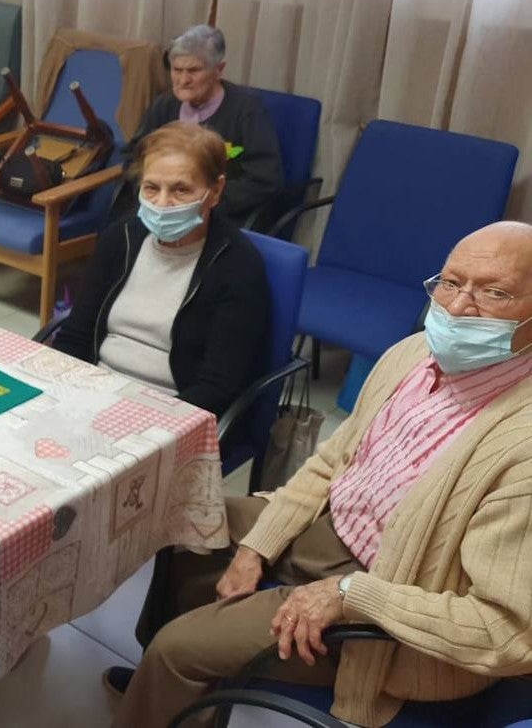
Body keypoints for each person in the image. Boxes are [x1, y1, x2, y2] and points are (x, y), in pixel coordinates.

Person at [106, 220, 532, 728]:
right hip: (331, 530)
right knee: (187, 528)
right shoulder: (412, 355)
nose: (459, 307)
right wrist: (259, 543)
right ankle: (172, 692)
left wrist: (352, 596)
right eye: (450, 282)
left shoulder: (521, 447)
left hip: (388, 599)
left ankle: (173, 670)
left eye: (495, 293)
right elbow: (334, 462)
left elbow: (508, 633)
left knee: (178, 650)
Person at [52, 121, 270, 418]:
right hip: (94, 390)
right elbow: (75, 336)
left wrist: (140, 420)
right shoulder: (121, 239)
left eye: (181, 190)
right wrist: (62, 392)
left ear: (215, 191)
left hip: (171, 411)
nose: (163, 204)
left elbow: (217, 388)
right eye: (152, 188)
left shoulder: (237, 267)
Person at [126, 25, 283, 228]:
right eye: (177, 70)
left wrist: (201, 202)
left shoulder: (247, 111)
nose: (183, 80)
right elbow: (134, 156)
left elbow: (265, 180)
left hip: (220, 216)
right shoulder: (164, 105)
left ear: (218, 70)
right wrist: (154, 194)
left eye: (193, 70)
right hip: (158, 209)